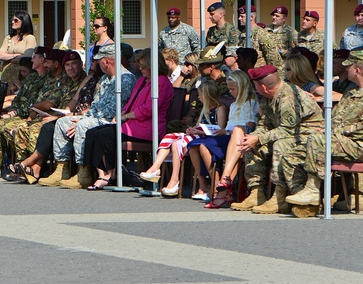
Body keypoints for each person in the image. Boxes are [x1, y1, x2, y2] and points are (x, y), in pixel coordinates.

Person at [287, 50, 363, 211]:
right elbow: (336, 119)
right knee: (295, 149)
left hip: (360, 147)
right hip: (341, 141)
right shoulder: (352, 92)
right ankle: (298, 196)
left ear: (357, 70)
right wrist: (324, 128)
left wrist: (330, 133)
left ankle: (312, 190)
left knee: (319, 140)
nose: (346, 70)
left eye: (348, 67)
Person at [230, 65, 325, 214]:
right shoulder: (269, 98)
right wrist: (253, 137)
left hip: (308, 134)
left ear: (263, 87)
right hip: (288, 133)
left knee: (280, 145)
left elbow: (288, 129)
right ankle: (256, 192)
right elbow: (264, 124)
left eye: (255, 86)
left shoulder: (288, 97)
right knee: (252, 145)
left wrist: (259, 138)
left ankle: (279, 195)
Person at [78, 50, 174, 190]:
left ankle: (111, 173)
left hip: (147, 127)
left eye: (143, 66)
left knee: (105, 135)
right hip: (132, 124)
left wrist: (126, 116)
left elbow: (149, 108)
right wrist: (121, 113)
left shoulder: (161, 82)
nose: (140, 69)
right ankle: (102, 173)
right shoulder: (142, 80)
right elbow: (131, 102)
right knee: (92, 133)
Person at [46, 44, 137, 188]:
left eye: (99, 61)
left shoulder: (124, 79)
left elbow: (112, 110)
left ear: (106, 61)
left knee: (83, 126)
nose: (97, 64)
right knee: (63, 122)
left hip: (110, 120)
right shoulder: (105, 79)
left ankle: (84, 171)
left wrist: (84, 120)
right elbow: (95, 104)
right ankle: (61, 168)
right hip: (96, 116)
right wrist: (84, 117)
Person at [8, 50, 88, 183]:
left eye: (74, 64)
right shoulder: (65, 81)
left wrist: (57, 117)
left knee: (42, 128)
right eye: (67, 64)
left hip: (75, 118)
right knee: (25, 127)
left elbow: (65, 106)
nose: (70, 67)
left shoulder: (84, 81)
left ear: (81, 64)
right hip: (59, 116)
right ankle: (31, 168)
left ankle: (30, 165)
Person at [0, 47, 48, 179]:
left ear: (42, 60)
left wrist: (15, 112)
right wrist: (12, 110)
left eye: (34, 57)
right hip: (18, 113)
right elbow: (19, 99)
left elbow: (33, 104)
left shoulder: (46, 79)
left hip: (27, 115)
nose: (32, 59)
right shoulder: (31, 78)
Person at [138, 80, 226, 197]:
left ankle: (170, 178)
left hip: (207, 137)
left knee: (176, 142)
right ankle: (157, 168)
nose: (199, 97)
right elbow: (198, 125)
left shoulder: (220, 109)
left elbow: (219, 129)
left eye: (200, 95)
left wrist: (198, 131)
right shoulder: (205, 109)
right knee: (171, 138)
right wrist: (192, 129)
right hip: (198, 135)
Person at [201, 70, 260, 208]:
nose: (231, 92)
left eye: (233, 89)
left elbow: (251, 125)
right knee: (212, 144)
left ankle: (223, 185)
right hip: (231, 136)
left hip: (243, 136)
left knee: (237, 138)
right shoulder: (233, 105)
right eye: (229, 89)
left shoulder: (251, 103)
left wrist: (234, 130)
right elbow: (229, 126)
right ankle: (224, 184)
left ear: (243, 86)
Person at [0, 10, 37, 86]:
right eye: (12, 20)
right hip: (7, 73)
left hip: (21, 74)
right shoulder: (8, 38)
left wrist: (8, 56)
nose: (13, 22)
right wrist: (17, 55)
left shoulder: (30, 38)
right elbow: (1, 55)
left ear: (24, 21)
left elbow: (27, 56)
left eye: (16, 20)